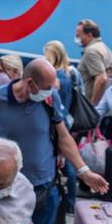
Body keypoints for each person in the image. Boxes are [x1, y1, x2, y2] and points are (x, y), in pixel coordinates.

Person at [0, 58, 109, 224]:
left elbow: (64, 136)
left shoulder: (50, 99)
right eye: (47, 87)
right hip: (8, 189)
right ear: (30, 83)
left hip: (43, 186)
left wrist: (84, 171)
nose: (51, 90)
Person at [44, 40, 81, 213]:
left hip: (57, 120)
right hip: (69, 119)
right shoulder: (72, 71)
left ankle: (65, 200)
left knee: (62, 162)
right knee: (69, 160)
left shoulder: (54, 75)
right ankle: (71, 201)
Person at [75, 19, 112, 105]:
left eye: (78, 36)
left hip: (92, 105)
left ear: (89, 35)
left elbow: (102, 78)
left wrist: (92, 105)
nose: (77, 38)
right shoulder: (104, 47)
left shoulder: (91, 51)